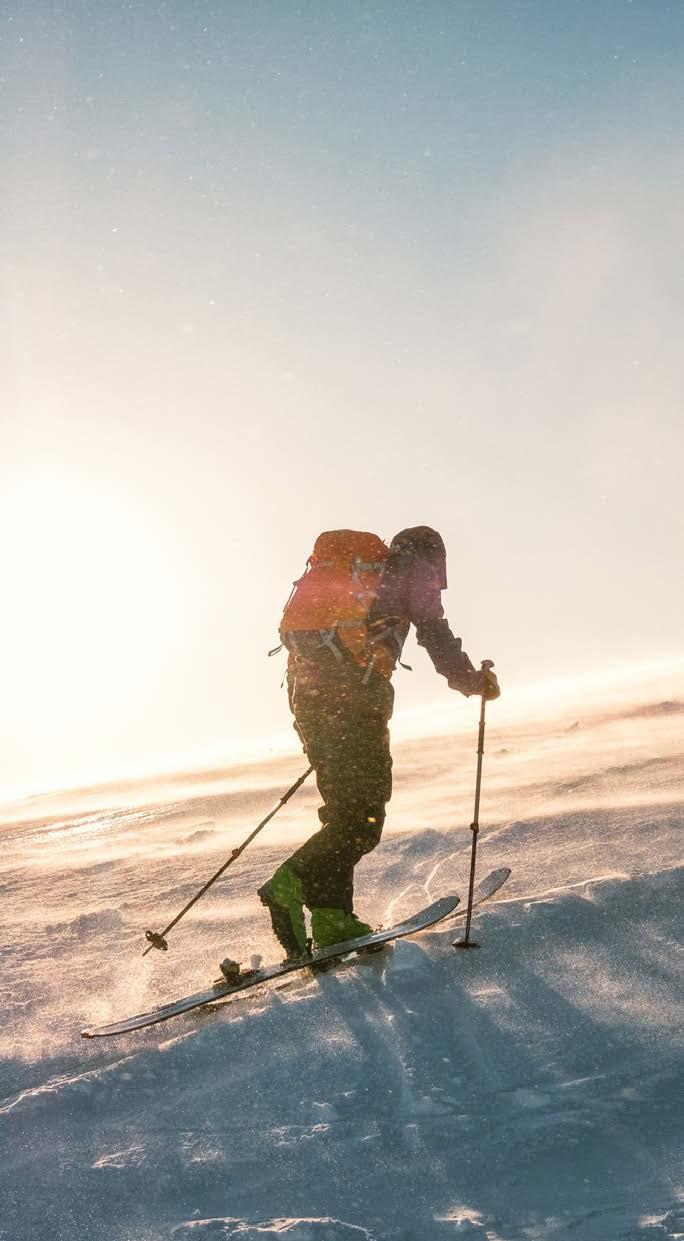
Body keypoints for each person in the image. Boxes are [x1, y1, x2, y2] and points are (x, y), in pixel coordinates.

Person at [258, 526, 500, 959]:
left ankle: (333, 920)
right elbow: (433, 631)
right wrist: (474, 681)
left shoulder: (355, 577)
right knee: (364, 815)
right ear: (433, 557)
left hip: (309, 699)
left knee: (346, 812)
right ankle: (289, 881)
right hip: (353, 701)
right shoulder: (411, 568)